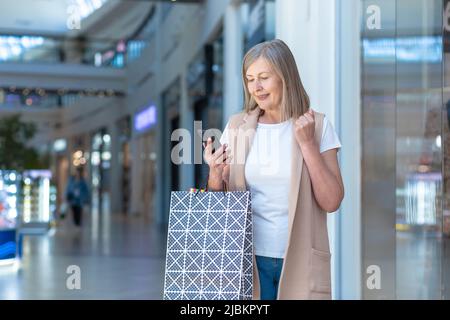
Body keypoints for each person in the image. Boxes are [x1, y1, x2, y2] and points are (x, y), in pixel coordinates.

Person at [204, 39, 344, 300]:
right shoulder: (236, 127)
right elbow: (217, 208)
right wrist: (214, 174)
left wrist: (308, 145)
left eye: (264, 78)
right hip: (247, 260)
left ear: (285, 77)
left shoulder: (317, 126)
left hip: (301, 260)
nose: (255, 87)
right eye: (249, 79)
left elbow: (332, 200)